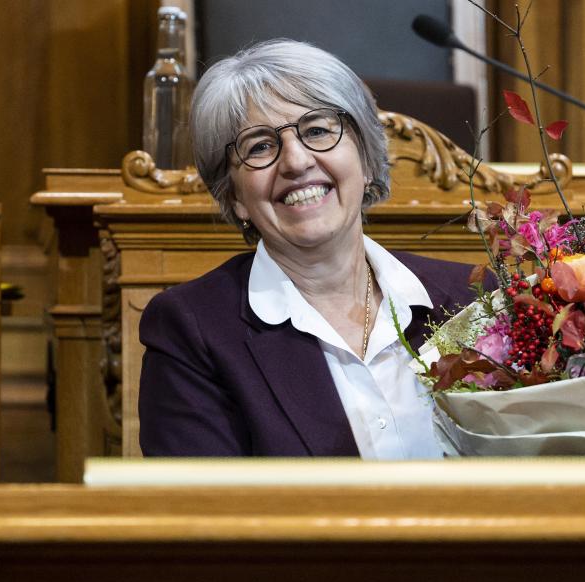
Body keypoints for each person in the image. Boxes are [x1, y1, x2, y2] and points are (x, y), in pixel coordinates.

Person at [138, 39, 480, 458]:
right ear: (234, 197)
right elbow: (202, 514)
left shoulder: (474, 299)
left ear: (368, 159)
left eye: (317, 130)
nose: (296, 162)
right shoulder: (192, 331)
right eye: (259, 146)